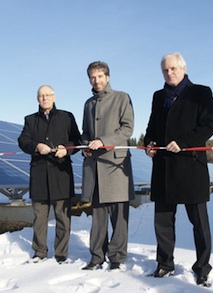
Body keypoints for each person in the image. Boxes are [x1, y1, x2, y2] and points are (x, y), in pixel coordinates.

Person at [144, 52, 213, 286]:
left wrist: (184, 143)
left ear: (184, 68)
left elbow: (209, 125)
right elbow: (152, 124)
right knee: (163, 222)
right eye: (165, 70)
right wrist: (150, 143)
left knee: (199, 223)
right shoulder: (158, 96)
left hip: (190, 167)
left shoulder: (201, 92)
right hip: (163, 167)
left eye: (174, 69)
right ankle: (165, 264)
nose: (169, 73)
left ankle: (202, 267)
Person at [80, 61, 135, 271]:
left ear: (108, 77)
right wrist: (86, 144)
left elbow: (127, 128)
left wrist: (103, 141)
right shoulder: (88, 103)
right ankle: (96, 257)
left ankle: (117, 258)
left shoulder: (122, 97)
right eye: (93, 77)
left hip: (115, 166)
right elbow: (85, 132)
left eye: (100, 76)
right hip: (94, 167)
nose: (97, 80)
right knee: (98, 216)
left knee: (119, 217)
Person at [18, 85, 81, 264]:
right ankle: (39, 252)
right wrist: (36, 146)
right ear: (37, 99)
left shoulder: (66, 117)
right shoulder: (30, 120)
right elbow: (23, 141)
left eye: (47, 95)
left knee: (62, 216)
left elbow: (77, 140)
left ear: (54, 97)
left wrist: (66, 149)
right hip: (39, 174)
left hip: (61, 173)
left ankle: (61, 254)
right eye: (41, 96)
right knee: (40, 217)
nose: (44, 98)